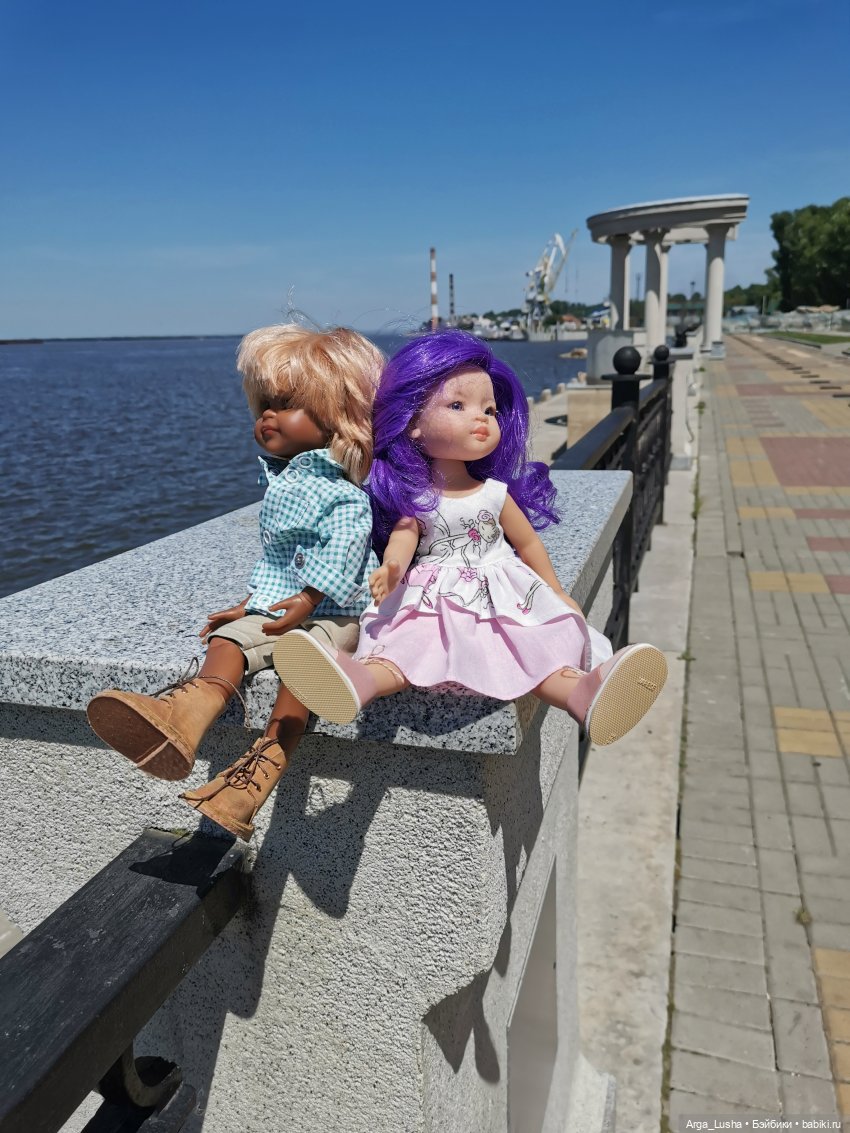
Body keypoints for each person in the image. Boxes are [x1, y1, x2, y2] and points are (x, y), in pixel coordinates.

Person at [272, 329, 667, 744]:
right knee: (411, 641)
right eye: (458, 406)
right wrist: (392, 568)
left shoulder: (494, 493)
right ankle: (361, 680)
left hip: (503, 586)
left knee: (532, 641)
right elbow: (405, 536)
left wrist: (555, 591)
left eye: (490, 410)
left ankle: (581, 693)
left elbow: (528, 544)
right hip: (435, 591)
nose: (481, 418)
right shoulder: (419, 499)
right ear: (412, 425)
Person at [86, 324, 383, 840]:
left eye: (286, 405)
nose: (267, 415)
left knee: (306, 669)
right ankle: (186, 715)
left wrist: (308, 597)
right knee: (226, 639)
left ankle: (259, 771)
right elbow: (279, 559)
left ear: (339, 418)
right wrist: (250, 603)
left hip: (336, 611)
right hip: (282, 603)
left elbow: (344, 551)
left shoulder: (344, 495)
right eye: (264, 405)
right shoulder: (284, 482)